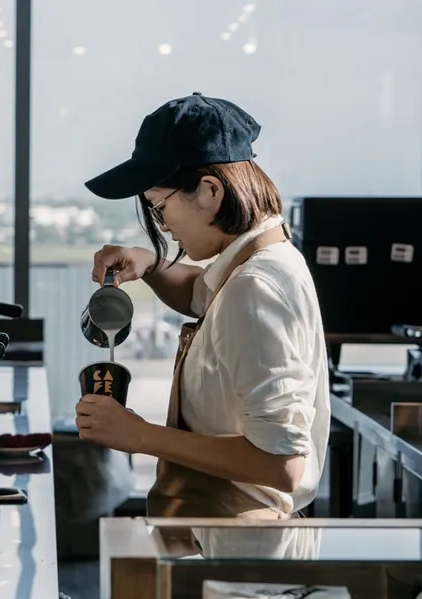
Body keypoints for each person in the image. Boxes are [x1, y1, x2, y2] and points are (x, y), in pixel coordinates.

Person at [74, 92, 331, 520]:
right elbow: (205, 297)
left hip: (239, 553)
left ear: (210, 191)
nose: (164, 225)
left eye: (159, 206)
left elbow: (281, 464)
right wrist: (151, 264)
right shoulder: (264, 260)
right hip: (221, 537)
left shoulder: (256, 287)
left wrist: (138, 435)